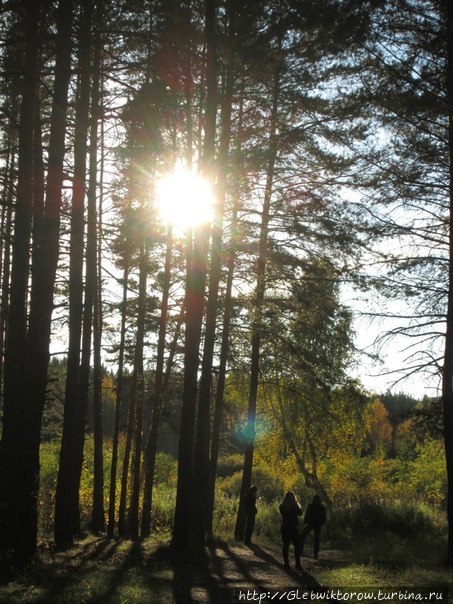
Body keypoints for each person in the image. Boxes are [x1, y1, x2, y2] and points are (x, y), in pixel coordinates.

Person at [279, 491, 303, 569]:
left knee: (286, 545)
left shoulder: (282, 506)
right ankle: (298, 563)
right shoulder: (295, 506)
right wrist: (296, 504)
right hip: (294, 528)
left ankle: (286, 563)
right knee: (297, 546)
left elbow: (282, 513)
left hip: (285, 527)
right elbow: (300, 513)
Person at [300, 494, 326, 559]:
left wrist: (304, 522)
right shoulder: (321, 507)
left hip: (311, 524)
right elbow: (324, 516)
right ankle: (315, 554)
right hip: (317, 525)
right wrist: (321, 523)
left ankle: (301, 550)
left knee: (302, 535)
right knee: (316, 539)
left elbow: (307, 514)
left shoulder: (311, 506)